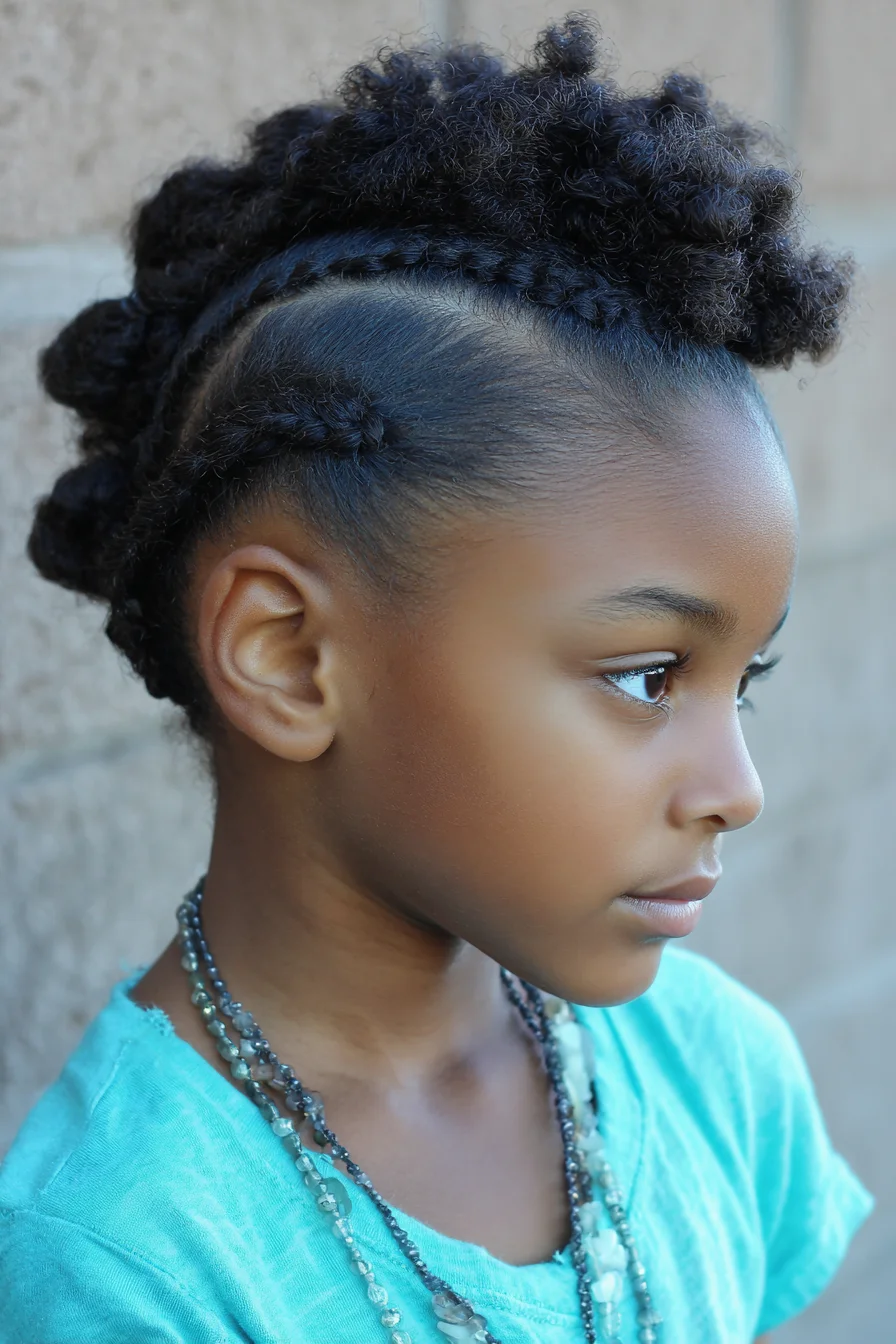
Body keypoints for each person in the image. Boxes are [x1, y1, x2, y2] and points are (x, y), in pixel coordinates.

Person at [0, 16, 873, 1344]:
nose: (737, 791)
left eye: (741, 679)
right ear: (290, 658)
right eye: (648, 676)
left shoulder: (713, 1069)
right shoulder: (125, 1254)